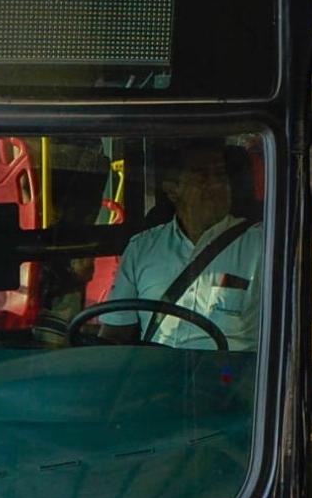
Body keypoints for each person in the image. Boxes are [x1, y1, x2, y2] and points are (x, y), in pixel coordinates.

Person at [99, 141, 263, 351]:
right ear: (172, 189)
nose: (215, 185)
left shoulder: (262, 246)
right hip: (158, 368)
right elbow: (115, 334)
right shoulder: (142, 249)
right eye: (201, 176)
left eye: (221, 175)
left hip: (230, 370)